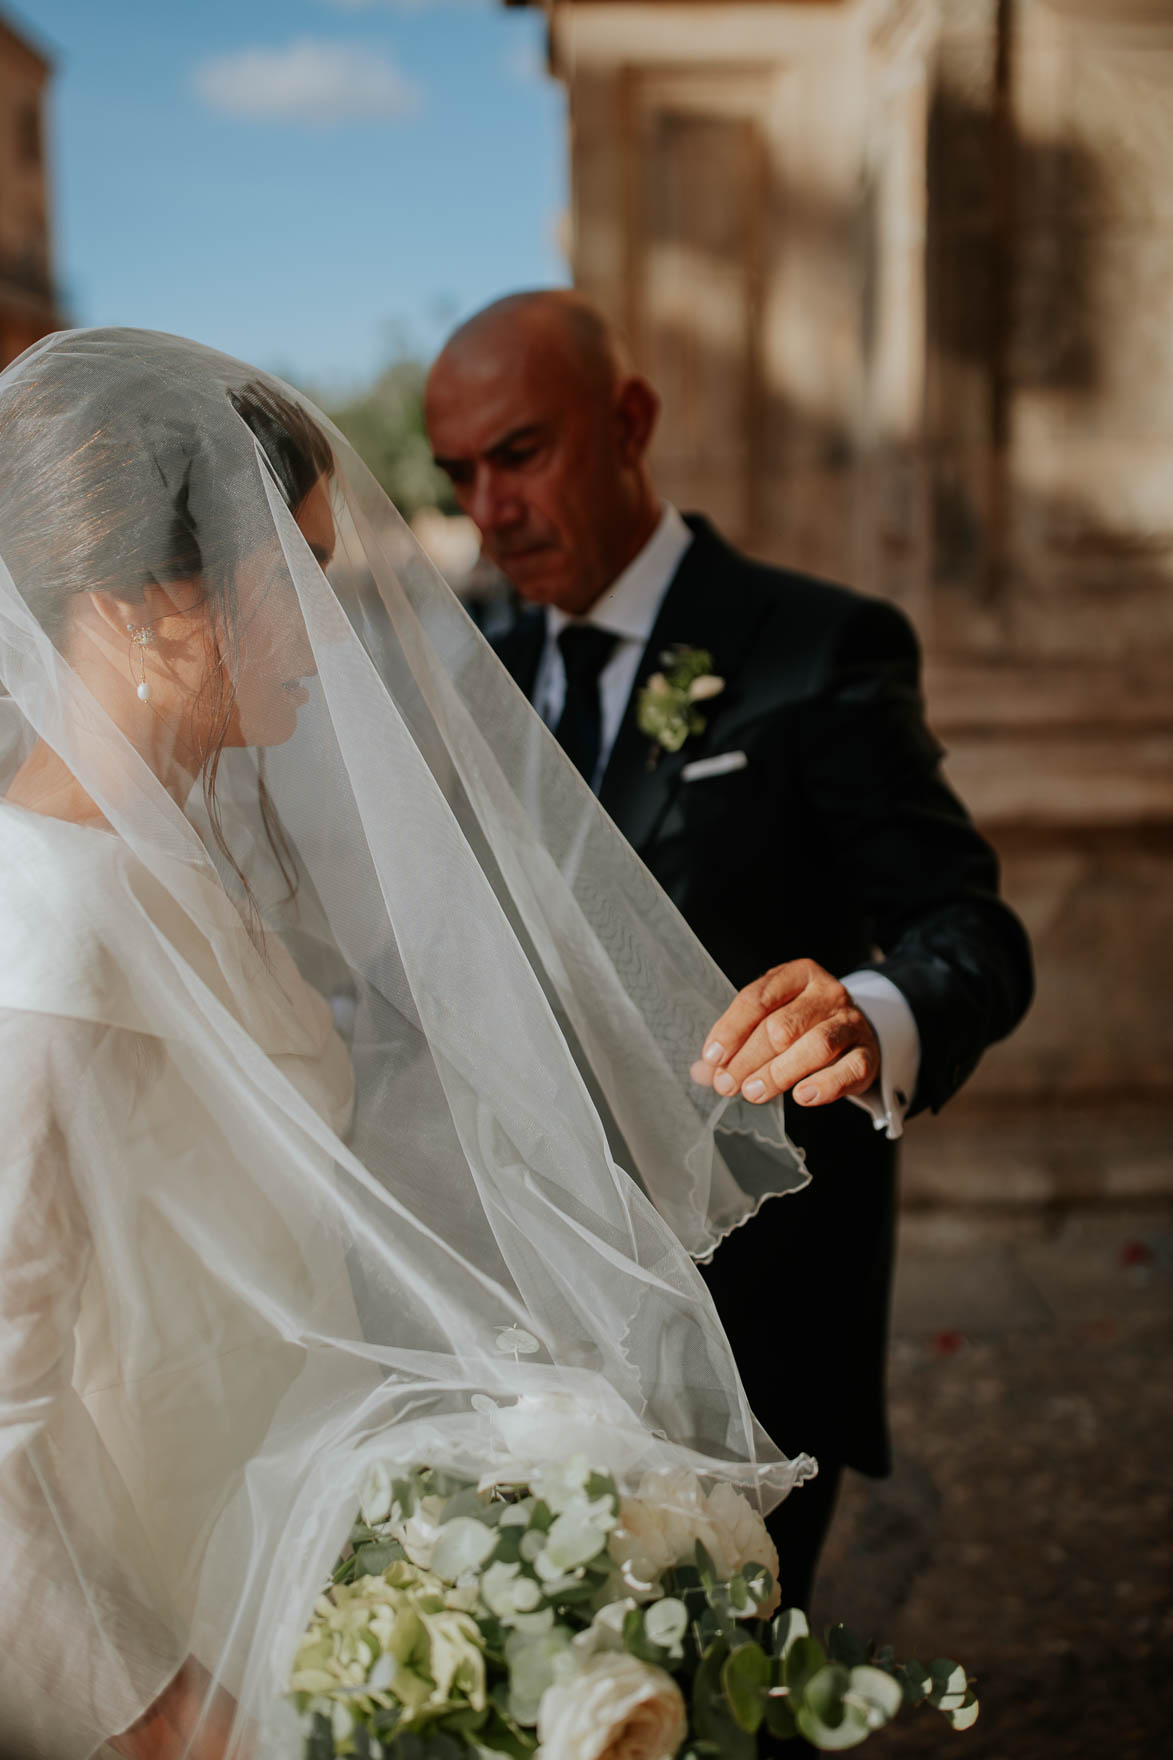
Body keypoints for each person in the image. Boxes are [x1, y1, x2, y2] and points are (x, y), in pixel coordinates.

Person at [0, 328, 816, 1757]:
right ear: (147, 609)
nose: (332, 631)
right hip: (161, 1660)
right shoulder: (44, 943)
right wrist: (179, 1722)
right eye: (292, 581)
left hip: (297, 1568)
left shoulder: (183, 870)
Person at [425, 290, 1035, 1609]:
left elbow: (968, 929)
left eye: (518, 453)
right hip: (527, 1322)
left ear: (629, 422)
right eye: (457, 474)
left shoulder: (814, 645)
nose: (487, 508)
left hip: (749, 1320)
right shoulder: (473, 656)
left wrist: (870, 1013)